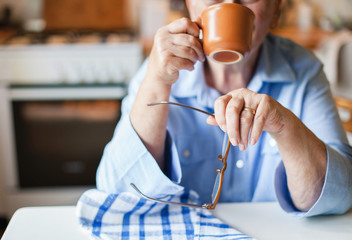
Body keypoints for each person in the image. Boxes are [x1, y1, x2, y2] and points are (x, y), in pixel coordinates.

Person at [96, 0, 352, 216]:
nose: (230, 3)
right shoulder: (159, 72)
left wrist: (284, 125)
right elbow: (117, 194)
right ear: (189, 4)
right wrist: (155, 82)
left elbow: (340, 197)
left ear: (276, 10)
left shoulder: (302, 70)